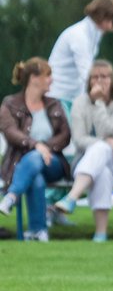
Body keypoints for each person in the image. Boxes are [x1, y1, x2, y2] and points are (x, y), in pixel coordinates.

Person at [52, 61, 113, 241]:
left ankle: (72, 197)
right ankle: (100, 233)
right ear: (89, 81)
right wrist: (109, 143)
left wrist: (99, 103)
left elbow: (109, 131)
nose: (100, 81)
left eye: (104, 76)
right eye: (95, 77)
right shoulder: (79, 103)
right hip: (88, 161)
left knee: (102, 147)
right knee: (102, 170)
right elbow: (79, 139)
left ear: (112, 80)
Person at [0, 58, 71, 240]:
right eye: (48, 75)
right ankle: (38, 230)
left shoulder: (54, 104)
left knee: (35, 158)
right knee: (35, 177)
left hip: (53, 163)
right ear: (34, 78)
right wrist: (36, 145)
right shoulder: (10, 104)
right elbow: (10, 132)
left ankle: (12, 196)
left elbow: (65, 135)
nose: (51, 80)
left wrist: (43, 147)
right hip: (20, 164)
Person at [47, 0, 113, 110]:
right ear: (99, 15)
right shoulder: (79, 35)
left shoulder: (95, 34)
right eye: (108, 19)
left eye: (112, 21)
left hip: (73, 96)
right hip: (58, 96)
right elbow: (86, 71)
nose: (110, 25)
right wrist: (107, 92)